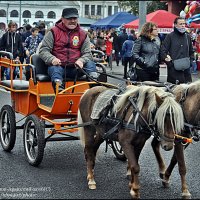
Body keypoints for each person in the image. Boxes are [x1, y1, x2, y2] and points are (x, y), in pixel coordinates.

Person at [39, 8, 97, 93]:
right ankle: (60, 91)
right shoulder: (53, 32)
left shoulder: (83, 34)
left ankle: (94, 87)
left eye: (75, 18)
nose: (73, 21)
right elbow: (43, 50)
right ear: (62, 19)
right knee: (55, 69)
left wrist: (81, 60)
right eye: (69, 18)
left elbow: (87, 53)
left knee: (90, 63)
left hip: (76, 68)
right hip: (59, 67)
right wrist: (52, 59)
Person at [160, 17, 194, 84]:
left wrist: (190, 62)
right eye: (181, 24)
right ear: (175, 25)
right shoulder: (170, 36)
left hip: (186, 70)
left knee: (188, 92)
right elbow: (163, 51)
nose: (183, 25)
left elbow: (191, 51)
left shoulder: (187, 37)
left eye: (184, 24)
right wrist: (170, 64)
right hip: (174, 71)